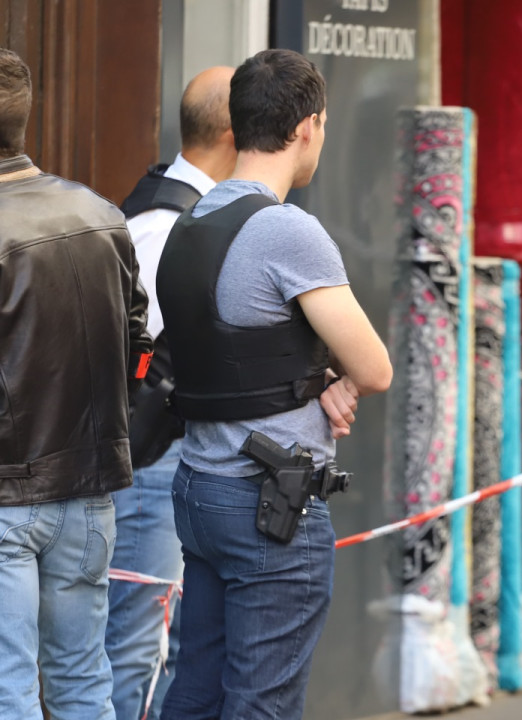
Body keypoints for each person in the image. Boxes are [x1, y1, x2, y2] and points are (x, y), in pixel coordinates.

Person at [156, 48, 392, 720]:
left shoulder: (191, 223)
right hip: (269, 506)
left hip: (201, 488)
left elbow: (240, 354)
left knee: (196, 690)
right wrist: (339, 378)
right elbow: (374, 366)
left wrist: (319, 378)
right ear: (309, 126)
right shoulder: (287, 230)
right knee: (262, 703)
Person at [0, 48, 152, 719]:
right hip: (89, 492)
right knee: (83, 680)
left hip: (10, 494)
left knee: (10, 689)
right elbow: (139, 346)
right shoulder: (100, 214)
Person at [105, 65, 238, 720]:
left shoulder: (182, 213)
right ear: (235, 132)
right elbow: (143, 363)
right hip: (153, 465)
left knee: (174, 649)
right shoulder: (165, 227)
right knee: (133, 648)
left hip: (173, 466)